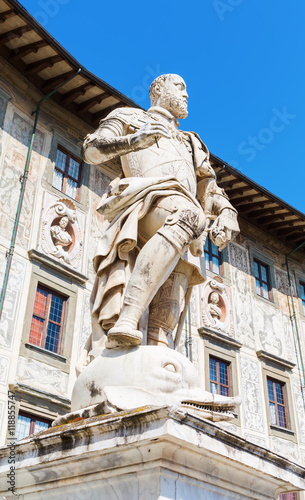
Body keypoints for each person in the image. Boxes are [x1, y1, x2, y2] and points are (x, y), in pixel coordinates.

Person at [82, 74, 239, 351]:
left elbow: (210, 190)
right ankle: (127, 318)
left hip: (186, 224)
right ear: (157, 89)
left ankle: (157, 350)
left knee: (169, 308)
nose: (186, 95)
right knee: (191, 216)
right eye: (180, 87)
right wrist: (133, 141)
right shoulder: (130, 116)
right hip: (146, 202)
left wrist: (227, 211)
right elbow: (92, 150)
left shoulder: (192, 143)